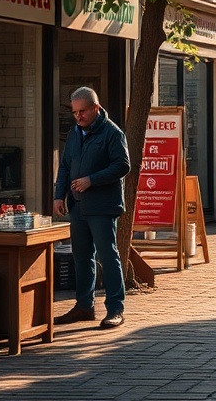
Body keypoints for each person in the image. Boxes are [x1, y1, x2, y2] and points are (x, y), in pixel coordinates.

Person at [53, 87, 131, 329]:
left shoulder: (112, 133)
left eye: (83, 112)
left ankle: (116, 309)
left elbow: (123, 165)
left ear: (96, 108)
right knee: (81, 257)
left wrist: (91, 180)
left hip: (103, 206)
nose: (78, 117)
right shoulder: (75, 133)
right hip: (78, 206)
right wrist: (59, 196)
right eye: (75, 112)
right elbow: (65, 166)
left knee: (108, 257)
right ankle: (84, 306)